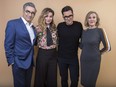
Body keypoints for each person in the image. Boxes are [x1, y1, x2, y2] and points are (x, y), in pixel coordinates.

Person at [4, 2, 37, 87]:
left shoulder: (33, 28)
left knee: (27, 85)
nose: (30, 14)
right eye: (27, 11)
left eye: (32, 13)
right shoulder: (13, 24)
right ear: (23, 11)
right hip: (18, 62)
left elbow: (31, 43)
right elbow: (8, 44)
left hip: (29, 62)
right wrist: (12, 61)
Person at [80, 11, 111, 87]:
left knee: (91, 83)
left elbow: (108, 47)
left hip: (94, 61)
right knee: (84, 82)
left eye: (94, 17)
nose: (91, 19)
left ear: (97, 19)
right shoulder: (84, 32)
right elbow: (81, 46)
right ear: (87, 20)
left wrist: (98, 53)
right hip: (84, 60)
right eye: (89, 18)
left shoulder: (100, 31)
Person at [57, 6, 83, 87]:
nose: (68, 18)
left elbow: (84, 39)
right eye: (66, 16)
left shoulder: (78, 25)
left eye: (70, 15)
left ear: (73, 14)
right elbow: (54, 39)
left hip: (73, 58)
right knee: (64, 79)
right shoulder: (60, 26)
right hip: (61, 58)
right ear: (63, 17)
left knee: (75, 79)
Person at [34, 8, 58, 87]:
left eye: (51, 16)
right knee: (40, 77)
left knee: (52, 78)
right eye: (46, 16)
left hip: (53, 55)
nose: (49, 18)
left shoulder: (54, 28)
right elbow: (33, 42)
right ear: (43, 17)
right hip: (42, 54)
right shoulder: (38, 28)